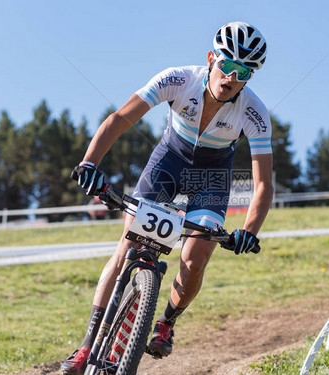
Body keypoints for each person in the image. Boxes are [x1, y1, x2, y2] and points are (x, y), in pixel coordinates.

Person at [61, 21, 274, 375]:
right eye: (227, 65)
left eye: (244, 73)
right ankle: (86, 346)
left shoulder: (254, 113)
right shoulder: (178, 79)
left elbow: (262, 183)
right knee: (126, 249)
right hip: (169, 162)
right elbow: (120, 118)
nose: (232, 78)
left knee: (195, 257)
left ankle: (165, 322)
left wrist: (249, 231)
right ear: (211, 58)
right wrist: (90, 163)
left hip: (212, 176)